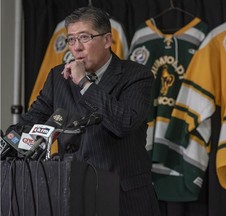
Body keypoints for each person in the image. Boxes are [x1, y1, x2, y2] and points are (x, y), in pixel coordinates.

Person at [7, 6, 160, 216]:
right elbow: (33, 120)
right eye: (71, 40)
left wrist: (85, 84)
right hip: (71, 193)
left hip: (124, 198)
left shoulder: (136, 75)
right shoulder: (57, 77)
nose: (76, 48)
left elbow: (124, 123)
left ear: (107, 40)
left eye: (84, 38)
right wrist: (10, 139)